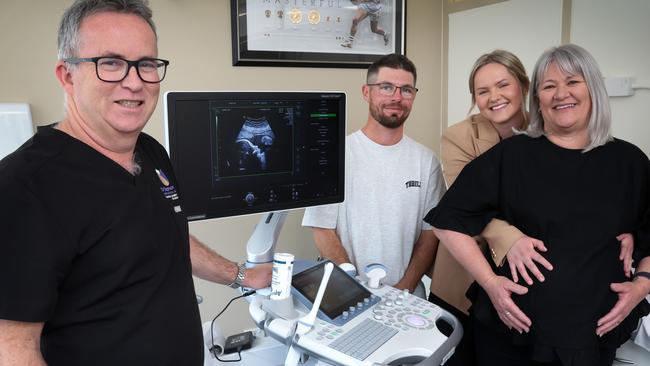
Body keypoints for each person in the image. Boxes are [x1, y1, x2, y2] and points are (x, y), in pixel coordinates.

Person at [0, 1, 270, 365]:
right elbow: (12, 349)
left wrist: (240, 276)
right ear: (67, 75)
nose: (134, 81)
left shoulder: (151, 152)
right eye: (110, 62)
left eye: (146, 64)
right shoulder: (23, 188)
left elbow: (165, 234)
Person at [426, 44, 650, 366]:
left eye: (573, 82)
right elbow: (448, 219)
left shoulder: (631, 162)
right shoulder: (510, 156)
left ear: (594, 89)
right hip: (512, 336)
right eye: (549, 86)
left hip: (593, 335)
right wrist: (490, 283)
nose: (561, 93)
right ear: (539, 98)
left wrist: (642, 284)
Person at [302, 53, 446, 298]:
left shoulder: (427, 161)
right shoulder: (335, 155)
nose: (397, 98)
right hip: (347, 295)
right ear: (366, 92)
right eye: (386, 87)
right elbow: (322, 228)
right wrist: (354, 286)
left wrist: (404, 289)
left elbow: (430, 233)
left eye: (406, 90)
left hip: (407, 298)